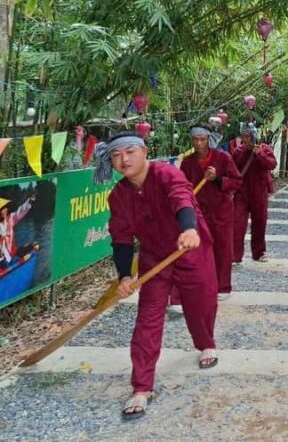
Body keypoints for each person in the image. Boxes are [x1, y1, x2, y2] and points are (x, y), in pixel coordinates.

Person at [95, 132, 218, 421]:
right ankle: (142, 386)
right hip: (154, 259)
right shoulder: (119, 195)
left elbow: (181, 199)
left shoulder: (165, 173)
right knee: (148, 317)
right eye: (116, 155)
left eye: (129, 152)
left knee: (200, 303)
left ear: (144, 151)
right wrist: (125, 276)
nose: (123, 160)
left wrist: (189, 229)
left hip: (189, 247)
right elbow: (121, 238)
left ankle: (205, 343)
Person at [180, 125, 242, 300]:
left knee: (223, 247)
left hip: (221, 210)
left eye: (203, 139)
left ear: (209, 139)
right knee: (200, 249)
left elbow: (237, 181)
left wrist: (218, 179)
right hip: (198, 211)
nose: (199, 143)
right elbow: (181, 186)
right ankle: (203, 284)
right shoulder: (187, 162)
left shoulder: (223, 158)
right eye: (195, 139)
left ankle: (223, 287)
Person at [232, 123, 277, 263]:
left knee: (260, 222)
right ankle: (235, 255)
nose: (245, 139)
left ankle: (259, 252)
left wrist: (260, 155)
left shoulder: (264, 148)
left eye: (247, 136)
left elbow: (272, 164)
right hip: (241, 193)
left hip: (260, 191)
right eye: (243, 136)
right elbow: (232, 170)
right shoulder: (238, 151)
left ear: (253, 136)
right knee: (238, 224)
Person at [0, 195, 35, 266]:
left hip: (11, 255)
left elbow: (20, 212)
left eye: (6, 207)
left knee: (33, 246)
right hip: (2, 261)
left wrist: (29, 201)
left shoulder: (10, 219)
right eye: (2, 208)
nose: (6, 209)